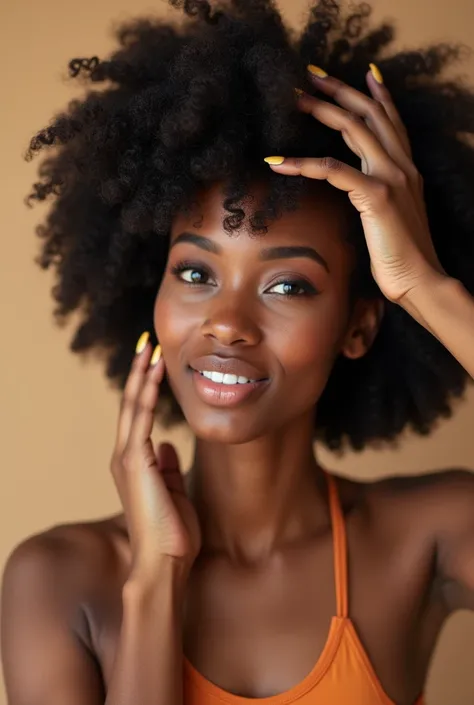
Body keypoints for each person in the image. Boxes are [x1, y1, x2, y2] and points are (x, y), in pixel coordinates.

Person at [2, 0, 474, 703]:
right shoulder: (58, 579)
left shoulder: (429, 536)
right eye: (195, 272)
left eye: (287, 284)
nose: (226, 323)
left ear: (359, 327)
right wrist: (157, 581)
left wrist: (424, 287)